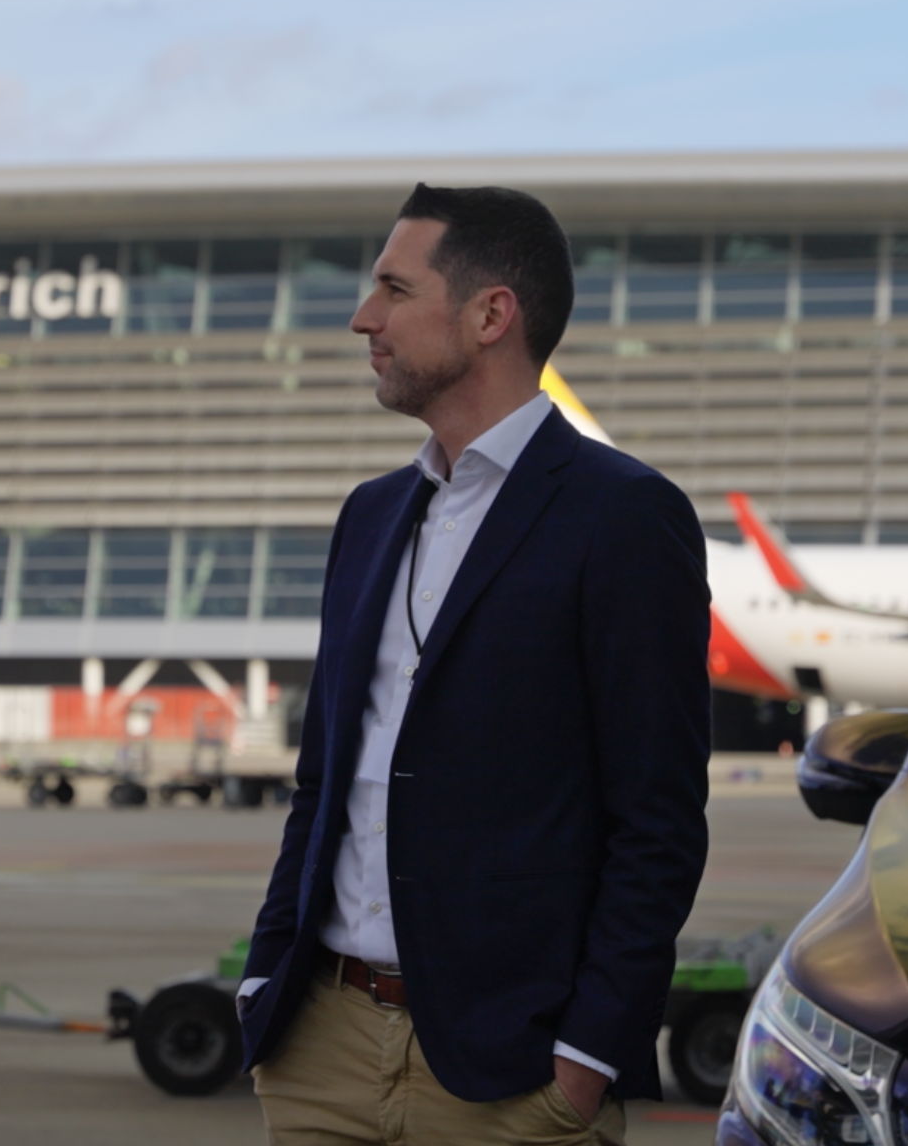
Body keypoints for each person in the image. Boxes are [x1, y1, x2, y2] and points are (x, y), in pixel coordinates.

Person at [236, 183, 712, 1146]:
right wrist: (265, 975)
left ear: (492, 314)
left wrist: (586, 1061)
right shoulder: (371, 515)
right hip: (318, 1044)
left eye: (394, 291)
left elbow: (656, 821)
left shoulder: (623, 516)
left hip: (505, 1075)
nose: (364, 318)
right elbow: (324, 777)